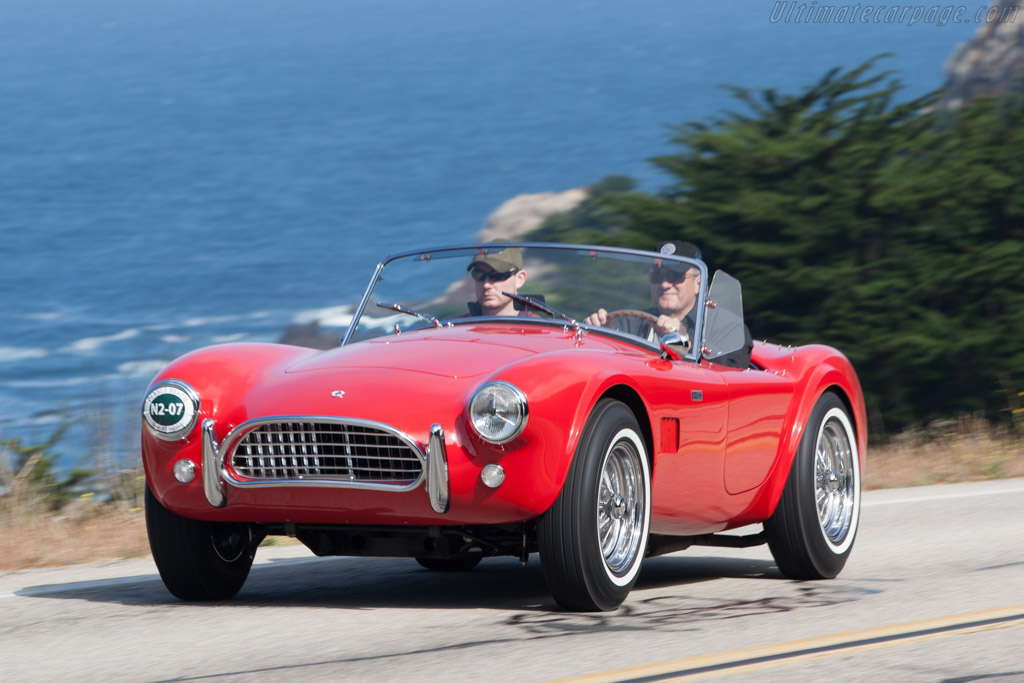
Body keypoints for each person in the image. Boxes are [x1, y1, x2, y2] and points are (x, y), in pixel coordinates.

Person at [585, 240, 753, 368]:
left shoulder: (726, 326)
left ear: (698, 284)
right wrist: (600, 335)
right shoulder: (629, 322)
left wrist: (685, 346)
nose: (664, 284)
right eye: (656, 276)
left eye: (675, 276)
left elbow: (732, 372)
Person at [464, 247, 531, 317]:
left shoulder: (539, 326)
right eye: (479, 275)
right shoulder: (456, 325)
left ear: (519, 279)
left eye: (497, 276)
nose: (486, 285)